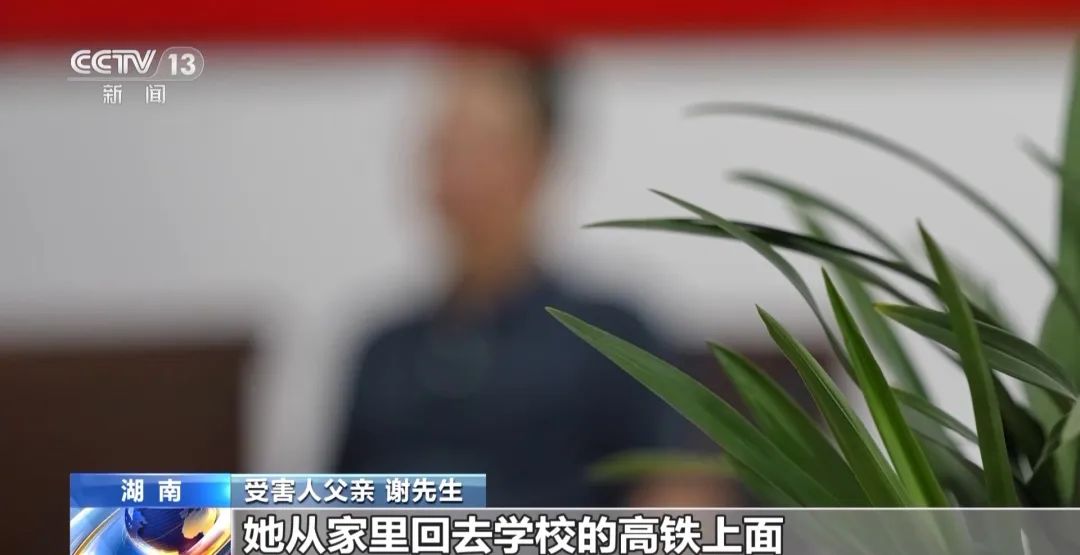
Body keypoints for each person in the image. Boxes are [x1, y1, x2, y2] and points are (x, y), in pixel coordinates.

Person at [336, 48, 712, 506]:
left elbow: (682, 496)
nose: (459, 174)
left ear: (542, 159)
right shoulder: (383, 351)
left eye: (484, 147)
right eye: (443, 148)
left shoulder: (609, 336)